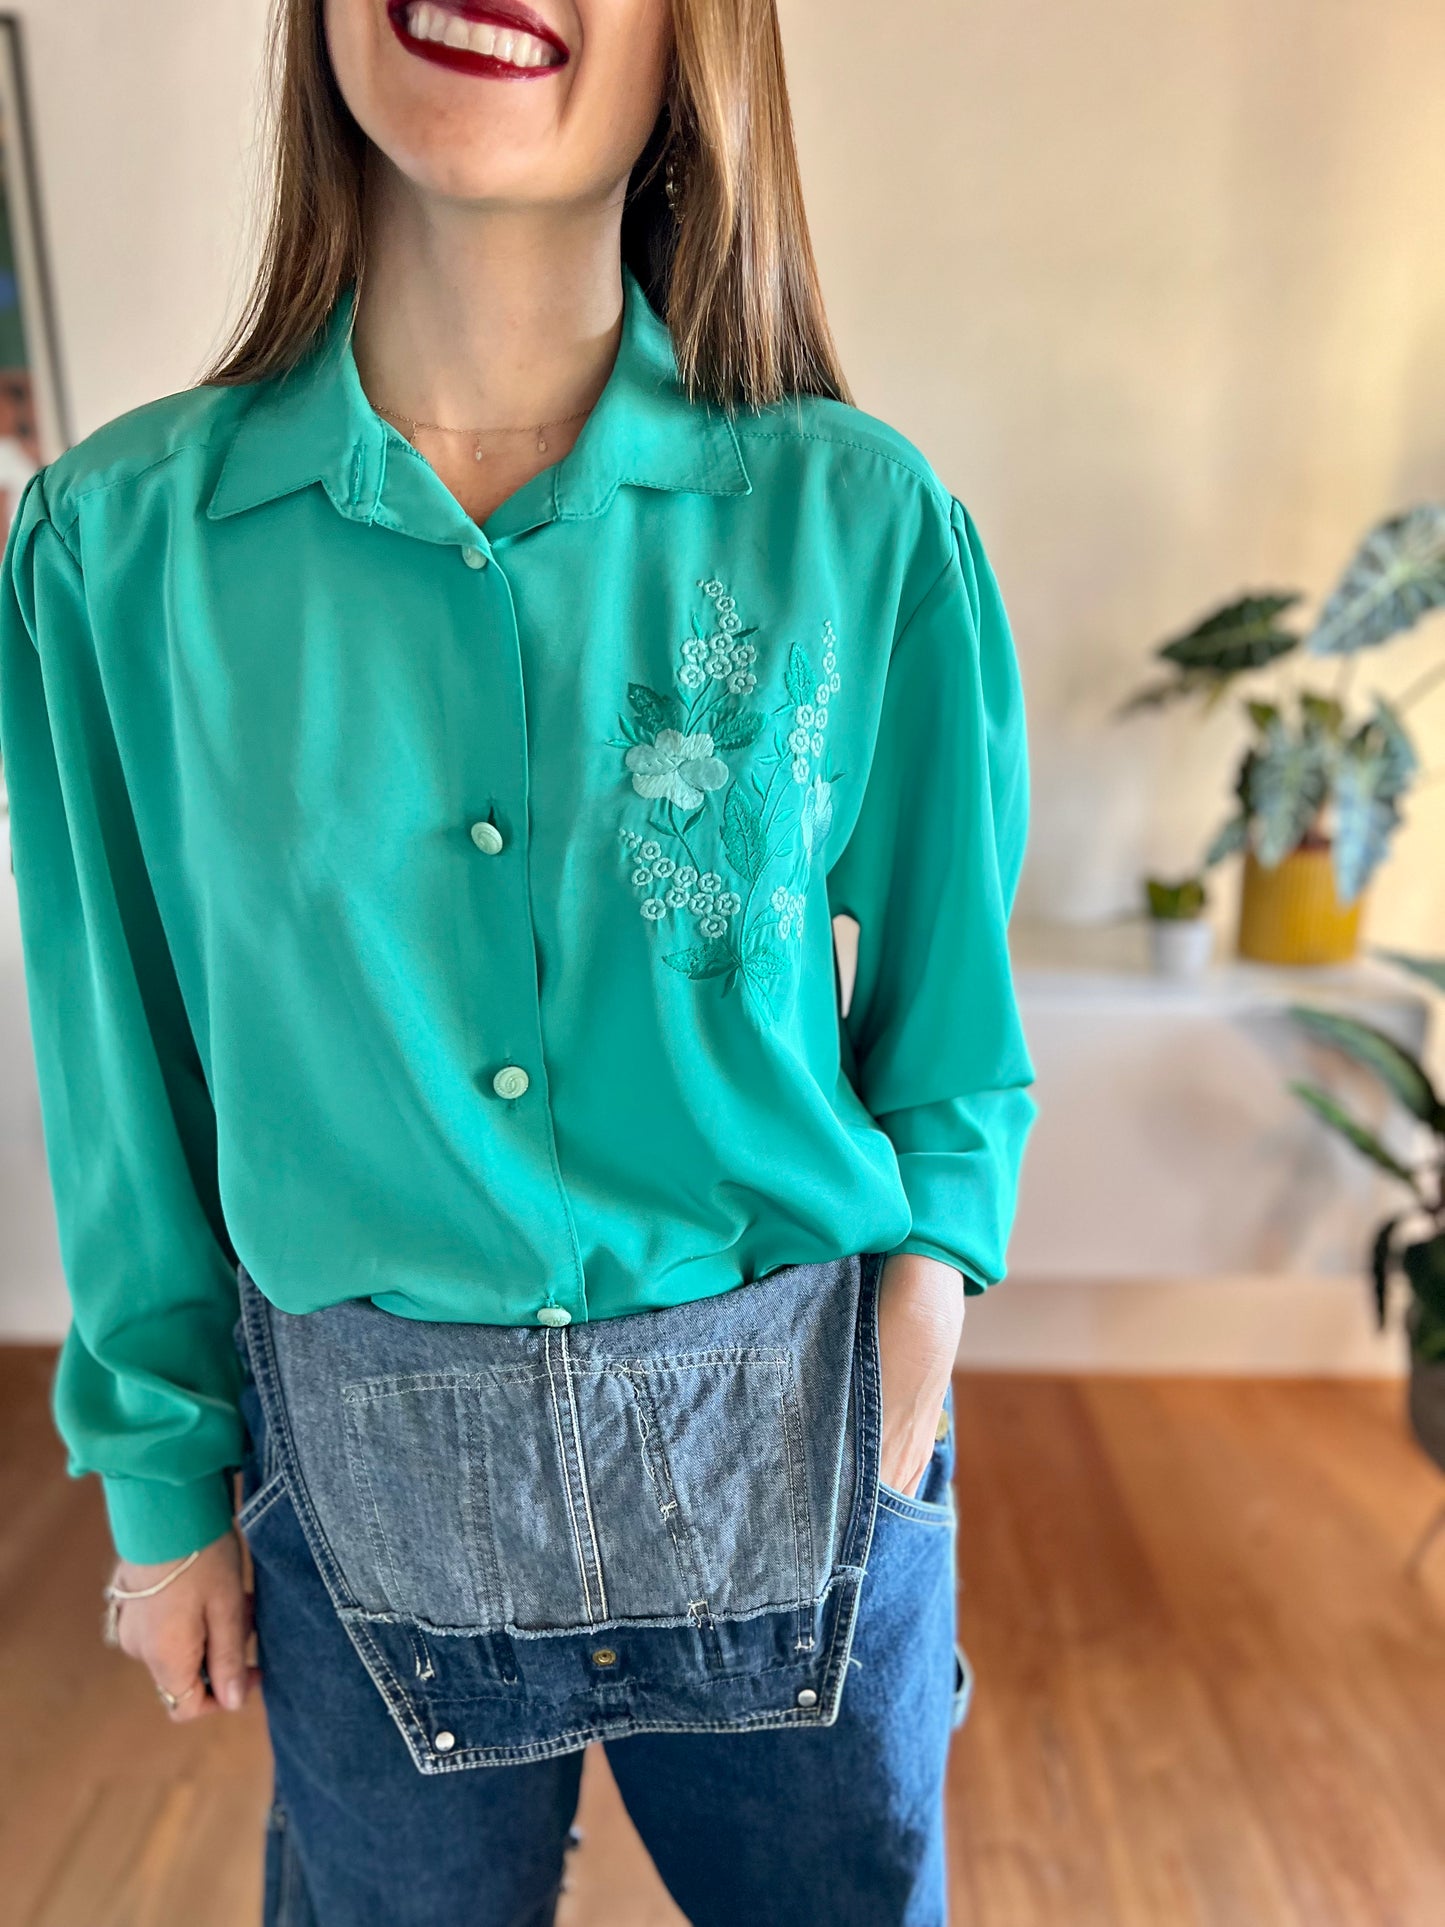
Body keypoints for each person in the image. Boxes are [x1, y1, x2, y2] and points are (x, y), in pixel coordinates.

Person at [0, 0, 1036, 1920]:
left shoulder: (858, 519)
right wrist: (163, 1497)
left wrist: (906, 1375)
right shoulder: (114, 553)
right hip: (358, 1477)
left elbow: (948, 1037)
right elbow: (118, 1065)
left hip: (796, 1442)